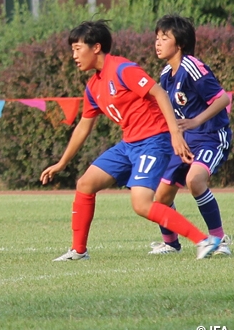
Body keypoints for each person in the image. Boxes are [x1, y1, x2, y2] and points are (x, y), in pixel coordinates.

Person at [40, 20, 221, 261]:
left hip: (154, 141)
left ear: (96, 47)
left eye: (77, 48)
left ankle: (203, 240)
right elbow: (84, 126)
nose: (73, 55)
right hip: (129, 145)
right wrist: (61, 163)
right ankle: (79, 251)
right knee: (85, 184)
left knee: (141, 204)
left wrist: (175, 135)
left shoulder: (123, 69)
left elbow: (159, 93)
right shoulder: (93, 86)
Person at [148, 15, 231, 256]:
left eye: (164, 38)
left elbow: (223, 99)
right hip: (186, 141)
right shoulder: (166, 74)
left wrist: (195, 121)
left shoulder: (192, 66)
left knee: (194, 181)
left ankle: (218, 240)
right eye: (156, 38)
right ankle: (170, 243)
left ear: (180, 43)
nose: (158, 43)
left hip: (211, 136)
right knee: (160, 195)